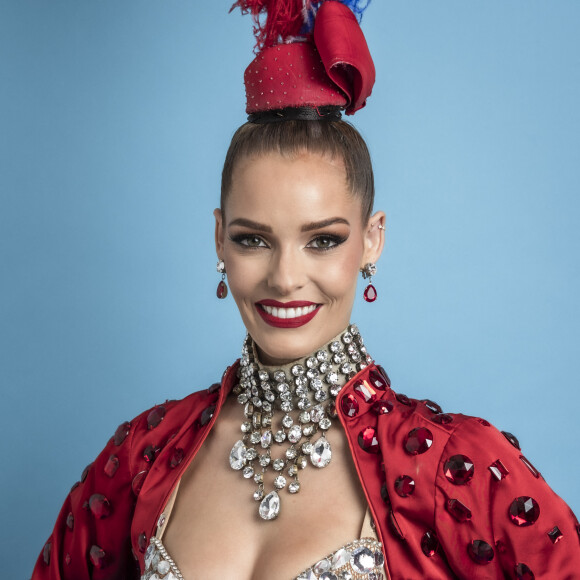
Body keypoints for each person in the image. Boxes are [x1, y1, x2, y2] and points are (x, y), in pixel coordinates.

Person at [32, 2, 580, 579]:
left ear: (372, 240)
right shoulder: (139, 459)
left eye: (321, 241)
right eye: (253, 240)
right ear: (219, 238)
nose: (285, 277)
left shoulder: (453, 469)